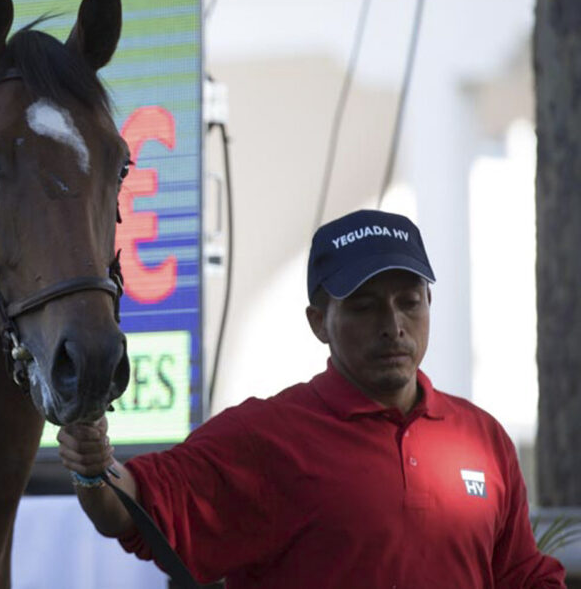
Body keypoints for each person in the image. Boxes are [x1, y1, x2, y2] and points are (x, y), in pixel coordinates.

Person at [59, 209, 566, 588]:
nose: (393, 326)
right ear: (318, 322)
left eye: (408, 302)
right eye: (364, 307)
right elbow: (130, 511)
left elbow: (520, 573)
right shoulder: (264, 435)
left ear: (429, 304)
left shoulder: (482, 438)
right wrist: (91, 466)